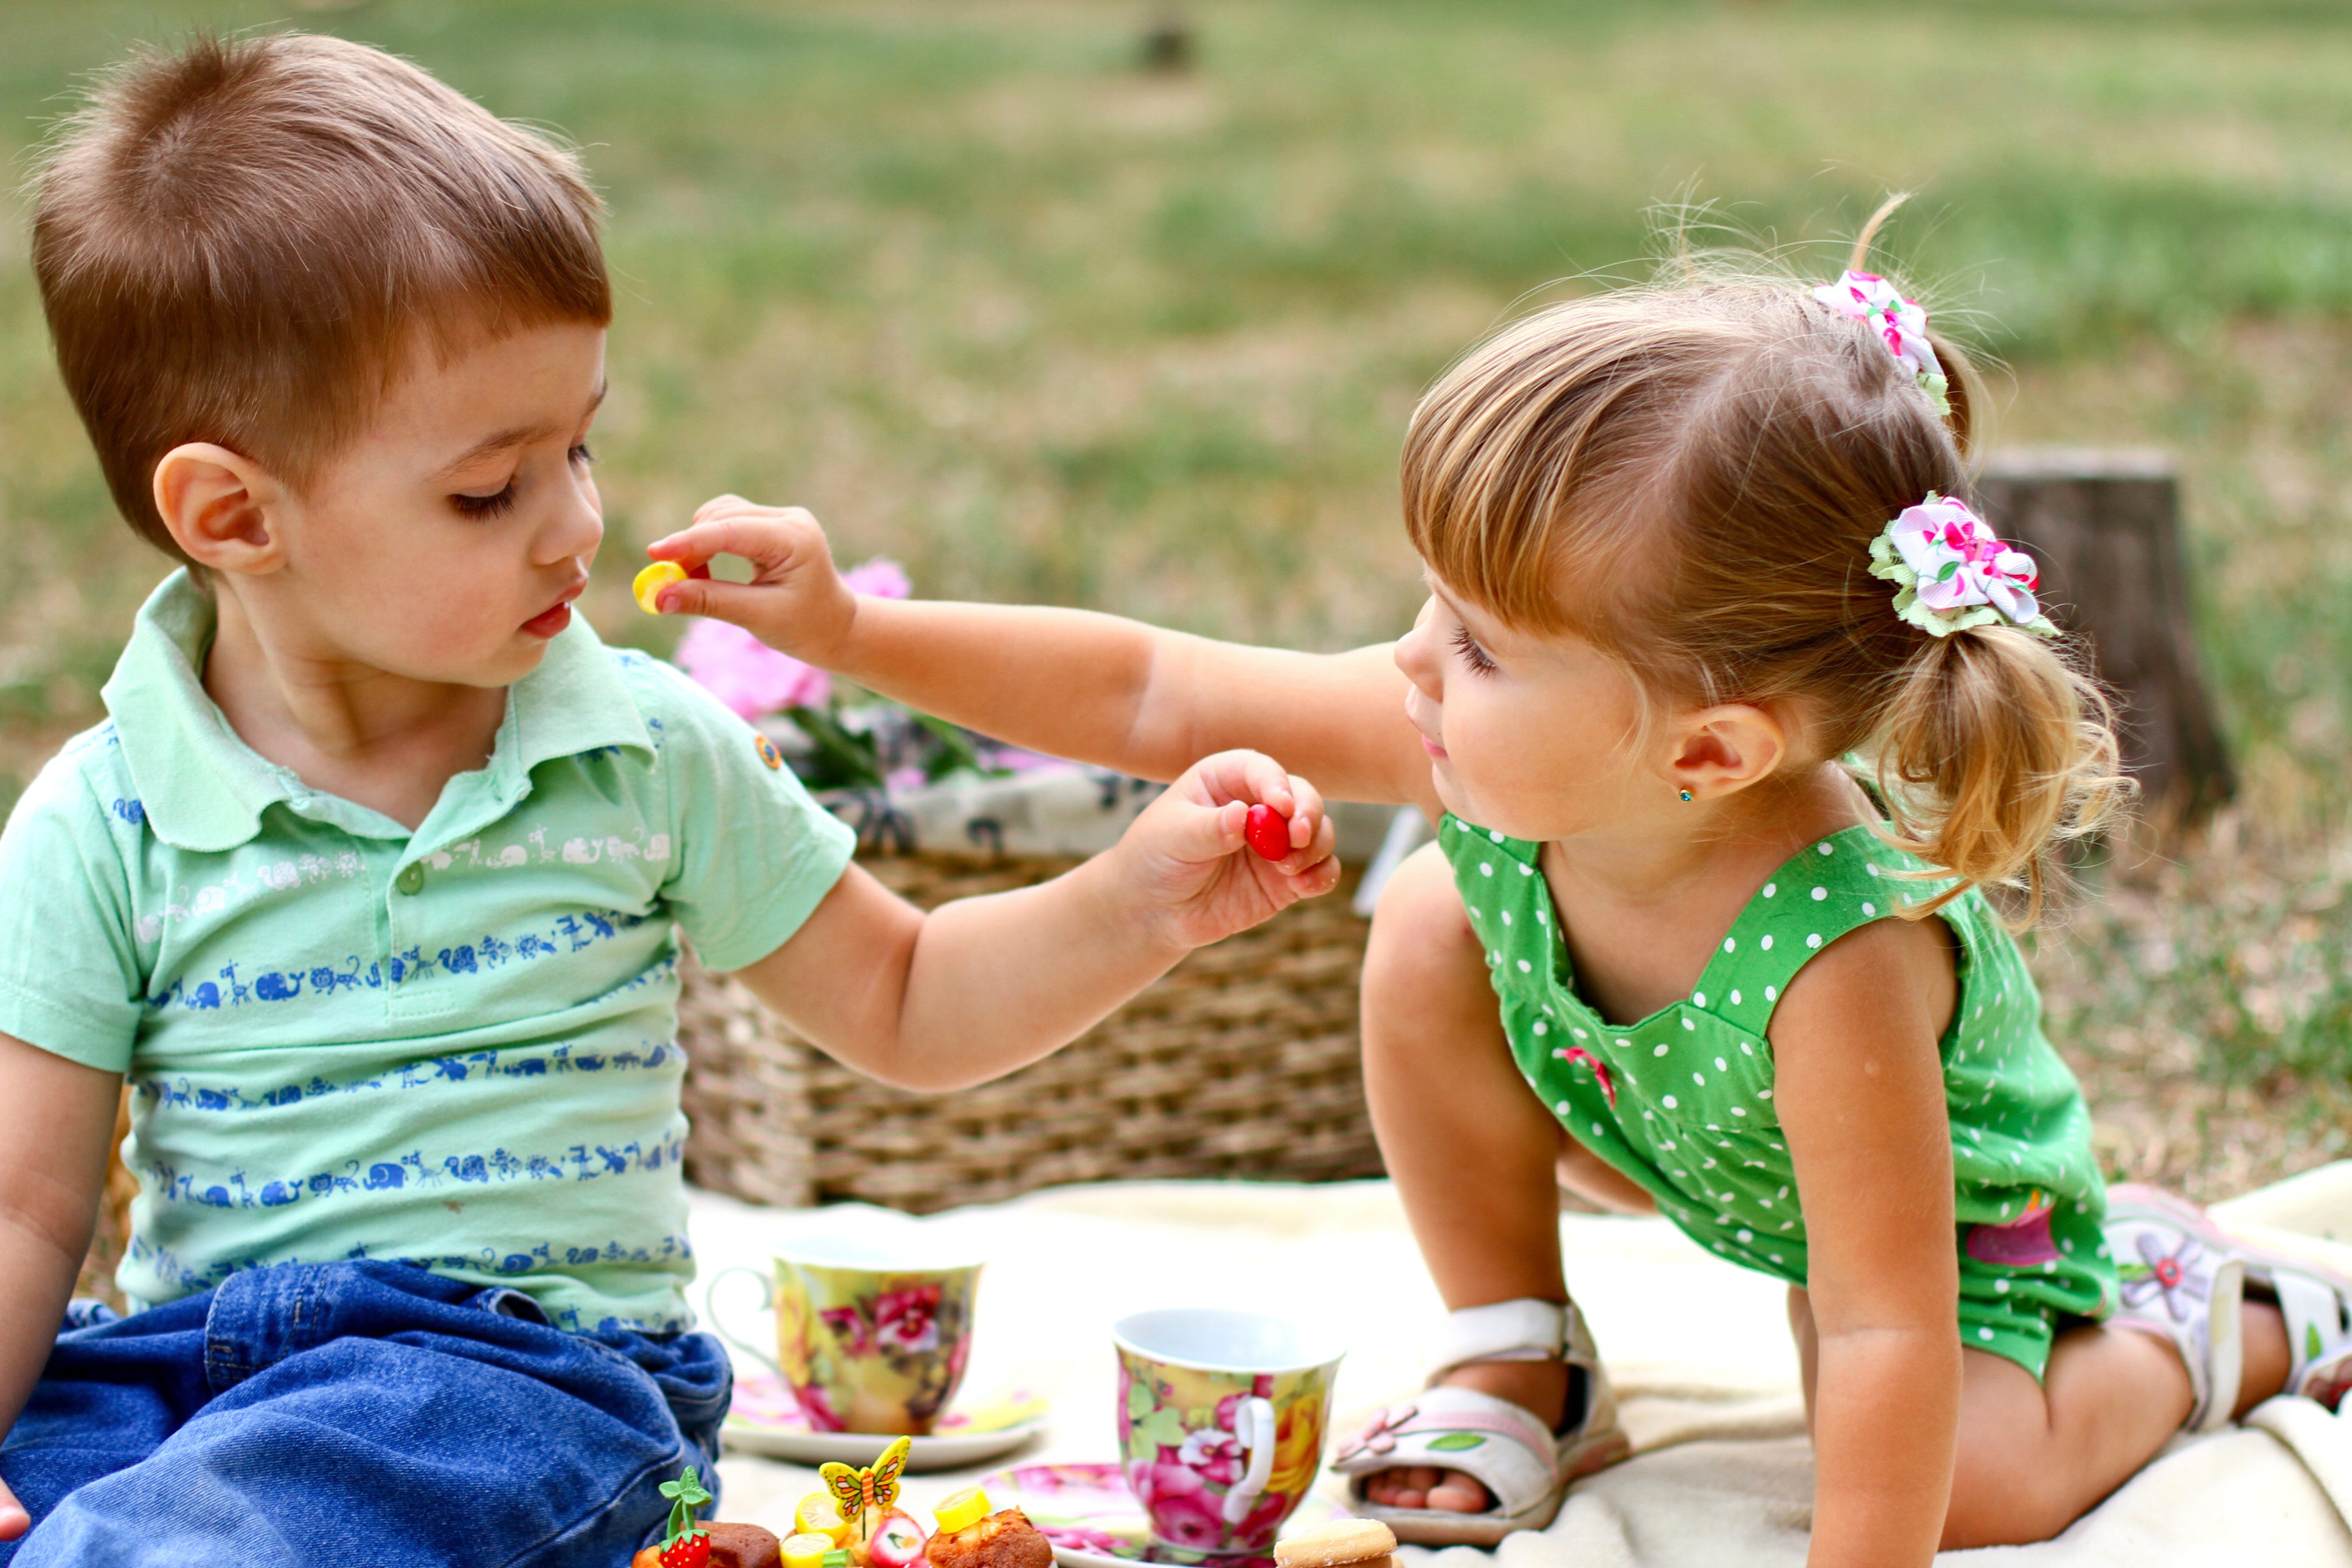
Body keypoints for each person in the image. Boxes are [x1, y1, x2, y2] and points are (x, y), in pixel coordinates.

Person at [640, 211, 2352, 1563]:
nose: (1406, 660)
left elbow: (1893, 1325)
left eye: (1474, 642)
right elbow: (1153, 693)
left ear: (1705, 754)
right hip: (1674, 1140)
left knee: (1948, 1479)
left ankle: (2218, 1317)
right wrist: (853, 635)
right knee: (1436, 914)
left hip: (1947, 1249)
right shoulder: (1519, 753)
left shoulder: (1840, 956)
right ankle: (1515, 1347)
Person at [0, 34, 1339, 1565]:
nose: (579, 520)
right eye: (489, 488)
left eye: (580, 442)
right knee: (82, 1470)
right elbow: (29, 1212)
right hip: (192, 1373)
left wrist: (1133, 900)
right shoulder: (102, 819)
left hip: (531, 1383)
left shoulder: (639, 753)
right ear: (235, 514)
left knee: (209, 1533)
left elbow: (905, 997)